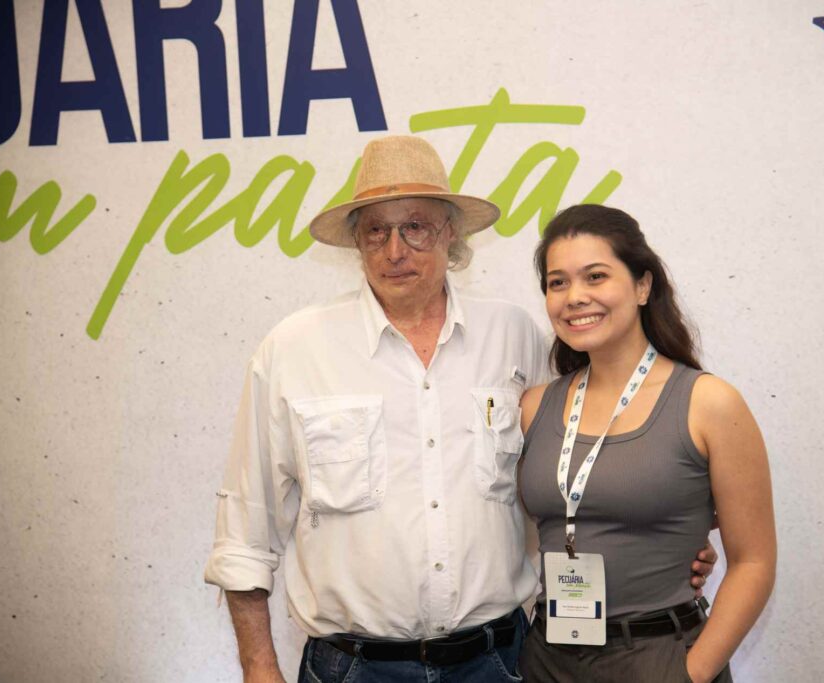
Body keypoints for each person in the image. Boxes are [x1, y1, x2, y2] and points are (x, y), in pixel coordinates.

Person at [204, 135, 717, 683]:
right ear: (356, 241)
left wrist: (664, 544)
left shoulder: (514, 335)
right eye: (376, 230)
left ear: (451, 232)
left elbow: (578, 474)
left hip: (498, 662)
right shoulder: (293, 349)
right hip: (350, 668)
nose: (395, 250)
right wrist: (259, 667)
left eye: (415, 227)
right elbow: (244, 532)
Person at [517, 204, 776, 682]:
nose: (575, 297)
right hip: (547, 658)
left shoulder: (708, 403)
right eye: (557, 282)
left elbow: (754, 562)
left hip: (659, 657)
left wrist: (689, 674)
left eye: (595, 276)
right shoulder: (535, 407)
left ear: (642, 286)